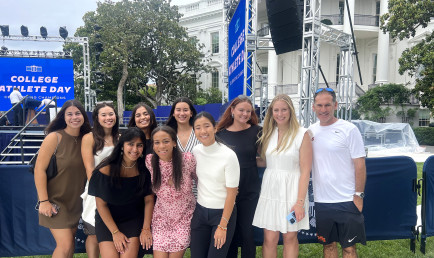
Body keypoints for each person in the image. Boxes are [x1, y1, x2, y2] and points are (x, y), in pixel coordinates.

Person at [308, 88, 366, 258]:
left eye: (327, 105)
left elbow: (360, 164)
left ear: (335, 105)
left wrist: (358, 195)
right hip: (322, 201)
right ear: (313, 107)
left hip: (347, 200)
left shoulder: (349, 129)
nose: (323, 109)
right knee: (328, 247)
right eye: (319, 105)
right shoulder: (310, 132)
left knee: (349, 249)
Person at [252, 94, 312, 258]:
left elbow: (306, 170)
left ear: (291, 111)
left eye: (284, 109)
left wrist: (299, 202)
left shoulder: (303, 134)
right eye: (276, 110)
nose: (280, 114)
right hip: (270, 193)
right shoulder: (267, 134)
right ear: (271, 113)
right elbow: (268, 161)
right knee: (269, 238)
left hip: (292, 194)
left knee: (290, 236)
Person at [34, 99, 91, 258]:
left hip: (76, 201)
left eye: (78, 113)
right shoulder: (54, 137)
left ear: (83, 116)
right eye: (69, 114)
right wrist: (44, 200)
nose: (74, 117)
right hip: (55, 201)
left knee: (70, 245)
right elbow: (39, 169)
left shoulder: (87, 138)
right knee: (65, 245)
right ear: (63, 117)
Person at [88, 127, 155, 258]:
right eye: (130, 144)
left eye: (139, 145)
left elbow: (149, 200)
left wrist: (146, 229)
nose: (135, 149)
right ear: (122, 145)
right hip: (108, 220)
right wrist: (115, 232)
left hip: (133, 219)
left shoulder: (145, 169)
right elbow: (101, 205)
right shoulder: (105, 169)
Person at [216, 95, 261, 258]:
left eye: (248, 111)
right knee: (231, 232)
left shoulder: (257, 131)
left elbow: (264, 157)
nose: (245, 114)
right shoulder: (220, 134)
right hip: (227, 191)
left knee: (247, 232)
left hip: (250, 190)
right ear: (232, 110)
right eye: (241, 110)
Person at [190, 111, 240, 257]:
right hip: (200, 213)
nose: (203, 131)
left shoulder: (228, 155)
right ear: (194, 131)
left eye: (206, 126)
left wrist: (222, 226)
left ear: (215, 128)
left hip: (222, 214)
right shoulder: (196, 151)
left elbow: (232, 193)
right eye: (198, 127)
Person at [145, 126, 197, 258]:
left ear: (174, 142)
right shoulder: (150, 161)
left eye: (166, 141)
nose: (161, 146)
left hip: (184, 218)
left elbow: (201, 180)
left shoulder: (187, 159)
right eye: (157, 142)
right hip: (161, 218)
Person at [81, 103, 120, 258]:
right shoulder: (89, 138)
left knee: (113, 231)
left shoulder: (120, 138)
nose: (108, 118)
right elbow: (89, 168)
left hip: (117, 191)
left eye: (111, 114)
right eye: (103, 115)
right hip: (96, 190)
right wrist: (99, 190)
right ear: (97, 118)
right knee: (94, 234)